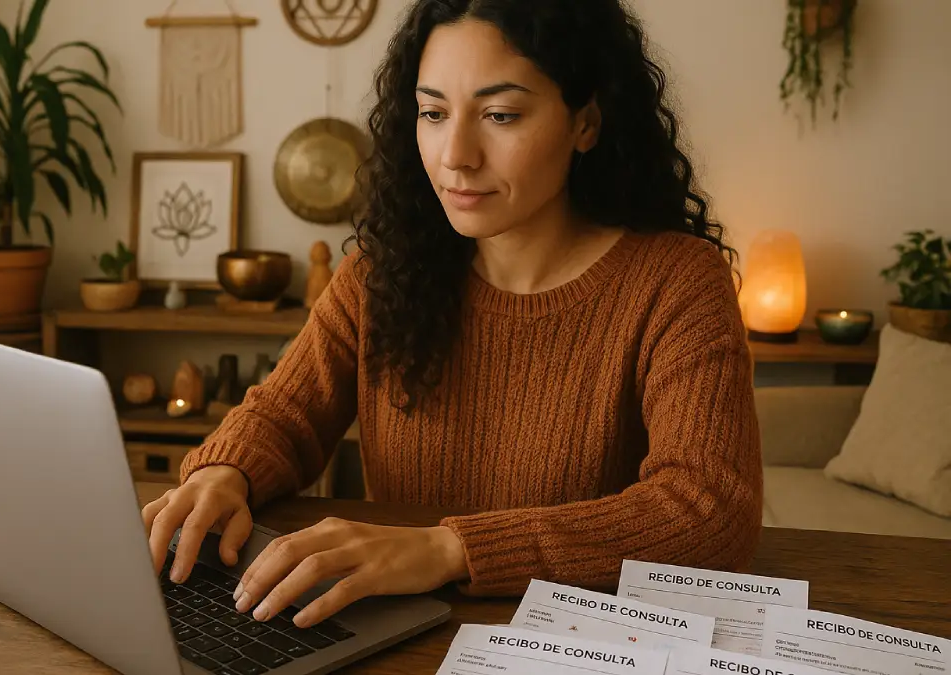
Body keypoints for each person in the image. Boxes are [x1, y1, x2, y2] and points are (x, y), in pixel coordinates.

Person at [142, 0, 762, 632]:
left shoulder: (677, 282)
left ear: (587, 122)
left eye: (500, 114)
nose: (456, 154)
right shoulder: (381, 276)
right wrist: (226, 472)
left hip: (583, 644)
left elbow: (707, 512)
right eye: (433, 113)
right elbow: (283, 414)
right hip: (400, 634)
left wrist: (449, 549)